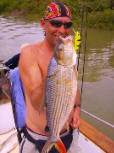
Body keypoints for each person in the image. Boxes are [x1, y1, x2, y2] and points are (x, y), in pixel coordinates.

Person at [19, 2, 81, 153]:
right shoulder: (29, 53)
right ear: (43, 24)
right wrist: (56, 67)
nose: (62, 30)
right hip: (38, 138)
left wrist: (77, 108)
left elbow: (72, 88)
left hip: (69, 134)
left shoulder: (68, 55)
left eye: (67, 25)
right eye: (55, 23)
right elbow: (35, 100)